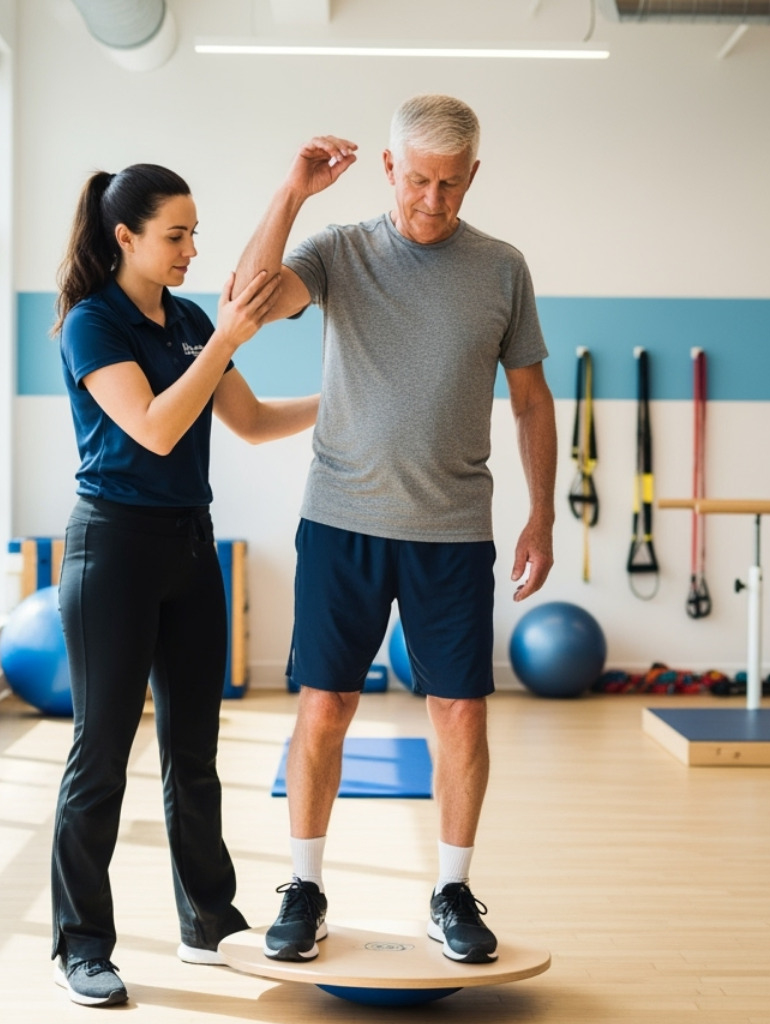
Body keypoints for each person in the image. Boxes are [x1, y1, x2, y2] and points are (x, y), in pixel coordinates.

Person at [234, 95, 557, 965]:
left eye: (452, 184)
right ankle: (303, 886)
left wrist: (543, 512)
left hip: (454, 528)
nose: (434, 200)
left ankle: (451, 890)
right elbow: (248, 303)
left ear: (473, 178)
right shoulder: (339, 252)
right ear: (388, 169)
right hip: (342, 521)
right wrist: (292, 195)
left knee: (458, 713)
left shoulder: (502, 268)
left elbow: (530, 397)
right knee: (326, 705)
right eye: (419, 180)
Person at [49, 164, 318, 1006]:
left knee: (194, 756)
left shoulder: (192, 320)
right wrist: (227, 344)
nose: (192, 250)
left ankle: (209, 921)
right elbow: (158, 429)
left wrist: (347, 398)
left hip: (188, 548)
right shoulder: (91, 325)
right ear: (124, 236)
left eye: (196, 233)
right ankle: (82, 946)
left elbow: (253, 422)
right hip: (113, 552)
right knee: (101, 759)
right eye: (176, 235)